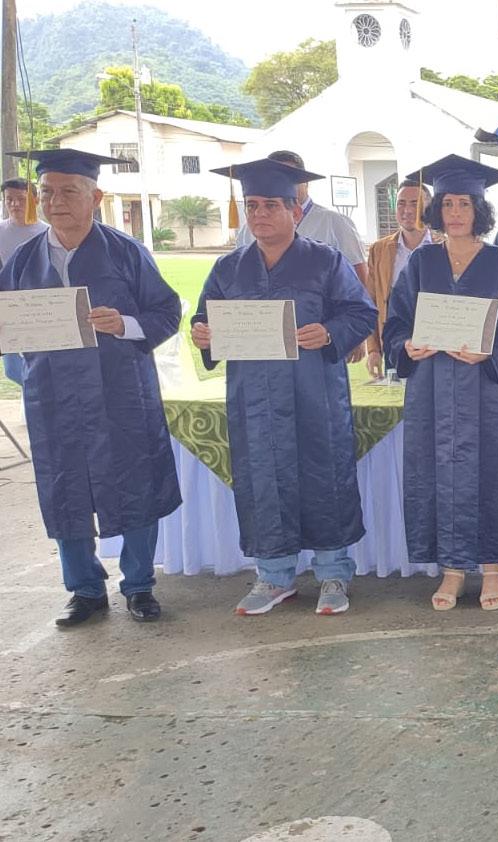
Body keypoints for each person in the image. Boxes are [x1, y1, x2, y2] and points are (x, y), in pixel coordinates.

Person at [0, 149, 181, 626]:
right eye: (47, 192)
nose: (55, 201)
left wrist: (124, 324)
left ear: (95, 197)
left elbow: (167, 312)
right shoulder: (22, 261)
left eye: (69, 191)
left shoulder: (126, 252)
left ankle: (139, 585)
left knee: (134, 483)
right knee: (65, 488)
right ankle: (83, 589)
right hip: (53, 396)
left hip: (119, 393)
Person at [193, 158, 377, 617]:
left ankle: (334, 573)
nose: (260, 214)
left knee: (324, 476)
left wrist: (330, 332)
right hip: (254, 398)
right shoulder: (229, 268)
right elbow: (204, 317)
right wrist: (203, 334)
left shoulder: (325, 260)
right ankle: (274, 576)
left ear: (295, 210)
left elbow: (361, 313)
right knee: (263, 479)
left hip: (314, 393)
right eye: (252, 205)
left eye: (271, 205)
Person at [383, 155, 498, 612]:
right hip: (433, 388)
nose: (454, 212)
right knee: (438, 473)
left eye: (464, 204)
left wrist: (492, 353)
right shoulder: (422, 262)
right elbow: (396, 322)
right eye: (447, 203)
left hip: (489, 390)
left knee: (494, 473)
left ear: (479, 210)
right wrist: (406, 346)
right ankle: (451, 570)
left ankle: (492, 568)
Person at [234, 149, 371, 366]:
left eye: (291, 177)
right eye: (252, 206)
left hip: (316, 350)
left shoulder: (334, 223)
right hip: (262, 349)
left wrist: (348, 335)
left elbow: (359, 277)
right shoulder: (248, 232)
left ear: (305, 181)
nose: (261, 212)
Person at [363, 178, 441, 378]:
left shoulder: (444, 247)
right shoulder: (380, 250)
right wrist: (373, 349)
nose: (407, 210)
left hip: (436, 344)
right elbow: (370, 301)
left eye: (415, 203)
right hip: (395, 342)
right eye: (401, 203)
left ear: (429, 207)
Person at [0, 177, 49, 386]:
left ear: (35, 200)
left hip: (41, 307)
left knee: (40, 364)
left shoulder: (48, 232)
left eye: (21, 199)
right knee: (13, 369)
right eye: (9, 199)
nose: (15, 204)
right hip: (9, 307)